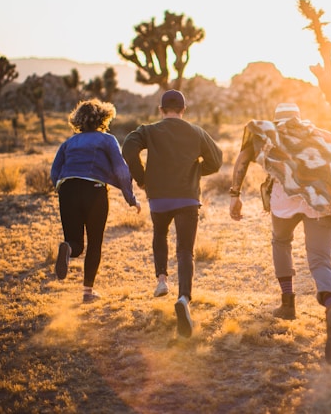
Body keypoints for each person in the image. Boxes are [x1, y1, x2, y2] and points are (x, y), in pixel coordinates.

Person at [229, 103, 331, 365]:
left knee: (281, 242)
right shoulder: (319, 135)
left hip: (284, 200)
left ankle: (288, 304)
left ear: (277, 119)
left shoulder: (270, 134)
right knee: (320, 258)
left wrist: (234, 194)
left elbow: (242, 159)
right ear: (299, 117)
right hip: (320, 199)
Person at [122, 89, 223, 338]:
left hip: (159, 198)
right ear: (183, 110)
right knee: (185, 250)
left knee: (160, 235)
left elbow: (128, 149)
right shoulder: (196, 132)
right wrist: (197, 170)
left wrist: (142, 177)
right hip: (187, 197)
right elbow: (217, 160)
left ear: (161, 110)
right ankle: (184, 298)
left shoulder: (148, 130)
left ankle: (161, 281)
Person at [51, 99, 141, 303]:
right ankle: (87, 292)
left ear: (78, 120)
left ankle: (68, 248)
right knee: (94, 243)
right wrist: (131, 198)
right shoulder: (107, 140)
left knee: (76, 243)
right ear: (103, 118)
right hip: (94, 190)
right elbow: (120, 169)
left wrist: (62, 188)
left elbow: (55, 170)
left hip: (68, 189)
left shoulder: (69, 142)